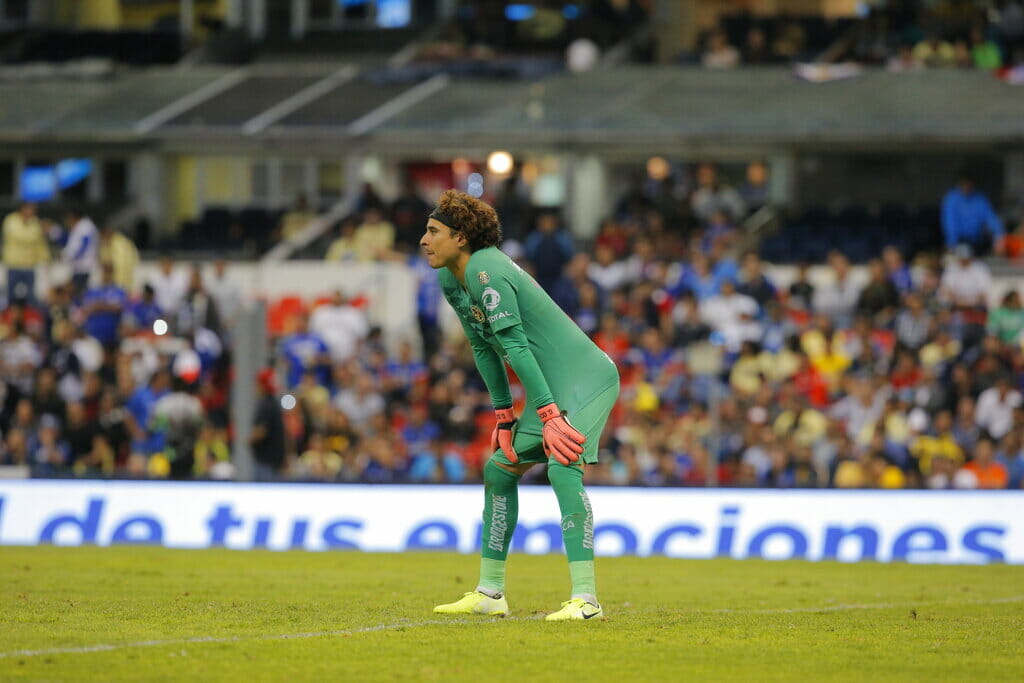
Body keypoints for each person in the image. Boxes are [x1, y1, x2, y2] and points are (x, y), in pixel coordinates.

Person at [426, 190, 619, 622]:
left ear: (460, 238)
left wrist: (548, 414)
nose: (424, 239)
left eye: (433, 231)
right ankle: (490, 592)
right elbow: (483, 347)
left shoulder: (484, 268)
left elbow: (513, 344)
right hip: (550, 385)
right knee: (498, 469)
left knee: (561, 463)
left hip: (586, 377)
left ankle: (586, 600)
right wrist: (503, 415)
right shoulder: (449, 277)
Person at [941, 172, 1004, 255]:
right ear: (959, 185)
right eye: (963, 184)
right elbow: (950, 223)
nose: (966, 187)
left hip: (976, 240)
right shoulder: (952, 199)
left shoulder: (980, 199)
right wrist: (952, 243)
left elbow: (991, 218)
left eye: (968, 184)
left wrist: (999, 236)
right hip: (959, 241)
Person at [2, 202, 49, 304]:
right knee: (11, 297)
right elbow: (19, 236)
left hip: (29, 266)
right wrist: (37, 232)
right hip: (14, 265)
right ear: (23, 209)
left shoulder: (35, 222)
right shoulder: (11, 220)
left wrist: (45, 257)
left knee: (30, 297)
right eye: (30, 209)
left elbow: (39, 243)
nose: (32, 212)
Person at [61, 209, 98, 299]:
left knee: (81, 292)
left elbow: (84, 244)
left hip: (84, 266)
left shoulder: (85, 226)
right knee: (76, 291)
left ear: (73, 217)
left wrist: (73, 256)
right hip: (79, 266)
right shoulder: (79, 227)